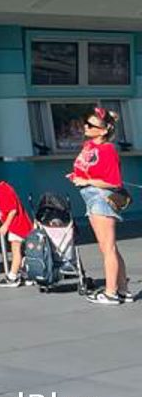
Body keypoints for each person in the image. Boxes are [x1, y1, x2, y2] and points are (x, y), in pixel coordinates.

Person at [68, 107, 129, 305]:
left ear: (103, 130)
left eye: (91, 125)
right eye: (85, 123)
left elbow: (114, 182)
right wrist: (80, 178)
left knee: (108, 248)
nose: (86, 127)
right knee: (109, 247)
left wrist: (88, 181)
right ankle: (123, 289)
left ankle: (111, 293)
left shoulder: (108, 150)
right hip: (91, 196)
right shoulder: (89, 145)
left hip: (101, 198)